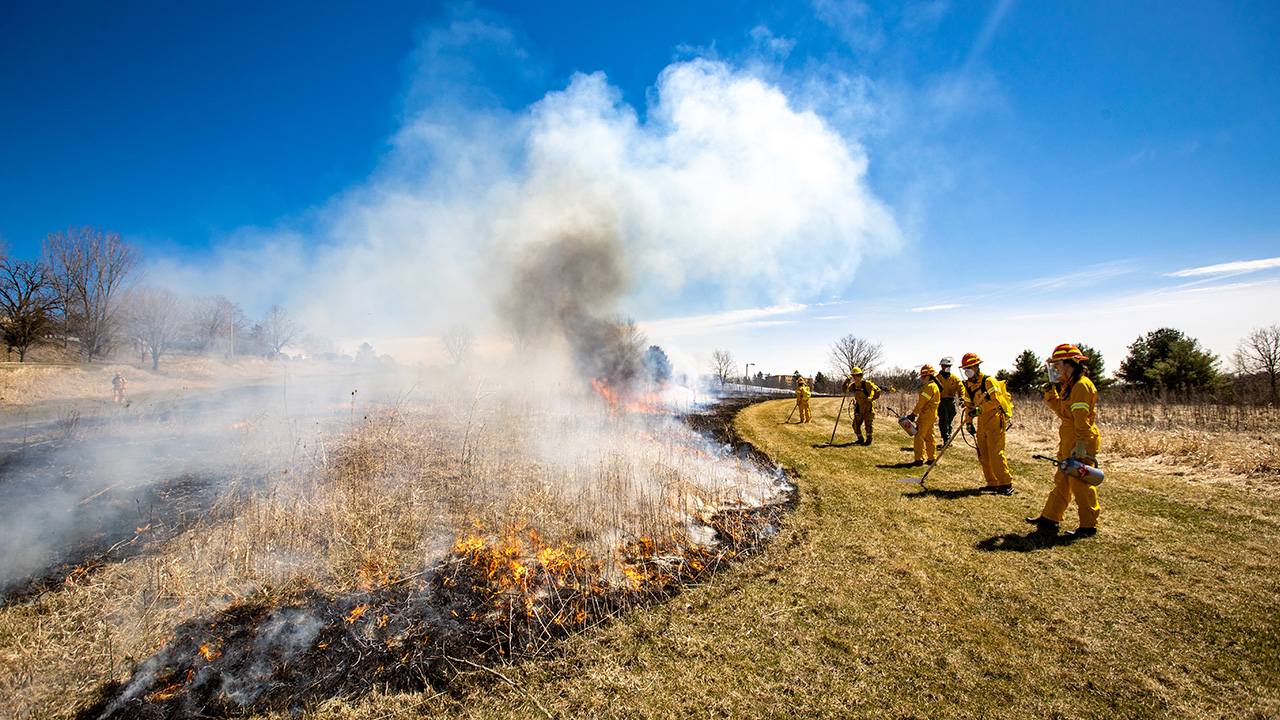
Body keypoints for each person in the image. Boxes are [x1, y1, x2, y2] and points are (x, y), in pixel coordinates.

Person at [1027, 344, 1101, 537]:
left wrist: (1082, 443)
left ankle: (1088, 525)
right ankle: (1050, 517)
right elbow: (1063, 412)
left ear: (1069, 363)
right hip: (1070, 437)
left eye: (1057, 364)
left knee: (1080, 482)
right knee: (1062, 479)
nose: (1056, 369)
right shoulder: (1070, 385)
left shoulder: (1082, 386)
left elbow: (1081, 419)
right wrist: (1051, 393)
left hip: (1080, 438)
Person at [960, 353, 1014, 495]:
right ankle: (992, 482)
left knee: (995, 453)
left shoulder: (989, 381)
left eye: (969, 367)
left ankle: (1006, 483)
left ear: (977, 367)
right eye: (965, 368)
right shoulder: (969, 386)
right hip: (982, 422)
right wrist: (969, 422)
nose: (967, 371)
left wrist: (980, 409)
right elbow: (968, 406)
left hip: (995, 420)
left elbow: (996, 401)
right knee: (983, 454)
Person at [905, 365, 940, 466]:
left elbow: (921, 403)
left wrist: (914, 414)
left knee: (919, 436)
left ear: (928, 376)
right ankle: (931, 458)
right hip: (931, 414)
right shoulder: (934, 386)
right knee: (929, 436)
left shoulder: (929, 387)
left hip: (926, 414)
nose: (922, 379)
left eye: (923, 376)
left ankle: (919, 459)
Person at [843, 367, 881, 445]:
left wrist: (872, 398)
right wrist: (846, 382)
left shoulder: (867, 384)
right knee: (855, 425)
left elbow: (877, 390)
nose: (854, 378)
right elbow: (845, 390)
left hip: (868, 407)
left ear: (860, 376)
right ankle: (860, 439)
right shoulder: (853, 385)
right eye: (853, 376)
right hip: (859, 408)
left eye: (856, 376)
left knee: (868, 425)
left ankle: (869, 440)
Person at [935, 357, 964, 442]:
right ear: (942, 367)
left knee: (949, 420)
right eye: (945, 366)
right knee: (943, 419)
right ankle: (946, 438)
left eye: (948, 366)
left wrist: (962, 398)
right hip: (941, 401)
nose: (947, 367)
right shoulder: (937, 379)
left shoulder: (954, 379)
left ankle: (948, 436)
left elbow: (961, 388)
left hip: (951, 401)